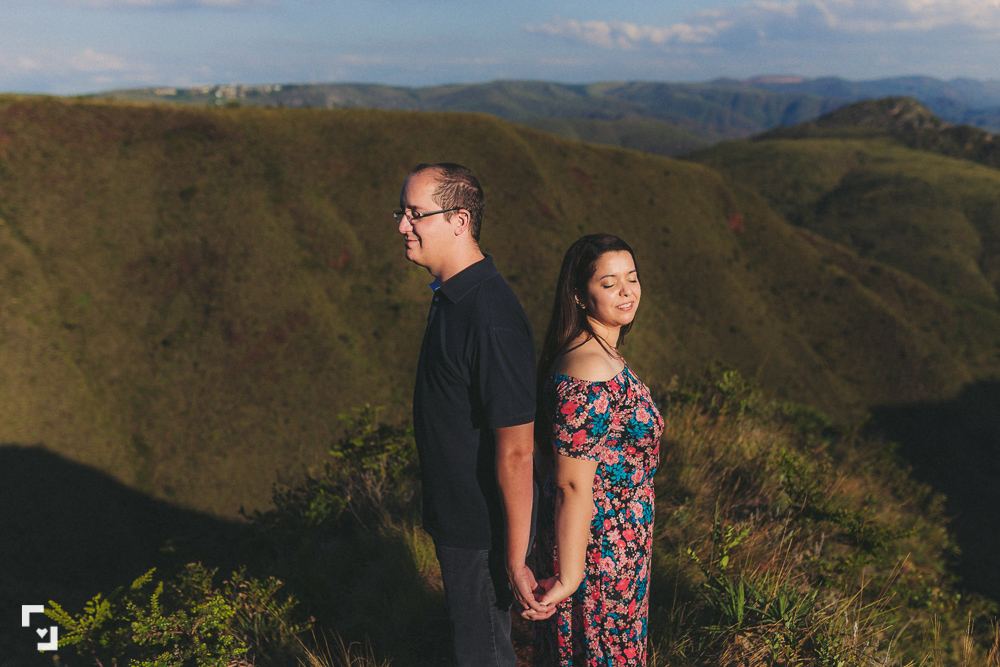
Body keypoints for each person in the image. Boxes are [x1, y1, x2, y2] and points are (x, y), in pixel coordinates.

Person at [396, 163, 549, 666]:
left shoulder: (489, 314)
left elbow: (518, 448)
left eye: (416, 214)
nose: (403, 225)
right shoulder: (453, 297)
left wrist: (514, 553)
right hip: (460, 522)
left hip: (480, 532)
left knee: (482, 654)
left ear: (460, 220)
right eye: (402, 212)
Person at [532, 233, 664, 666]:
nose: (627, 291)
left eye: (632, 277)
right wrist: (571, 577)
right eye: (609, 283)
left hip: (618, 544)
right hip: (598, 548)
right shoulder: (587, 369)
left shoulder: (601, 352)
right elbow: (571, 483)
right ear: (579, 295)